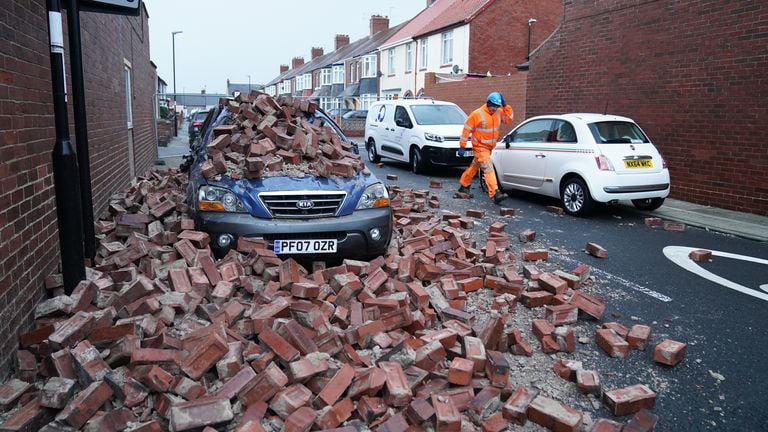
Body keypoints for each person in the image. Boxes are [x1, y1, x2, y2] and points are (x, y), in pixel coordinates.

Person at [457, 91, 514, 204]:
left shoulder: (499, 112)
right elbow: (466, 130)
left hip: (490, 148)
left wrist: (506, 106)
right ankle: (495, 193)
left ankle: (464, 185)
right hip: (479, 147)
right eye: (492, 106)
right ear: (488, 103)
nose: (494, 108)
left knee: (474, 167)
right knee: (488, 168)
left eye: (496, 106)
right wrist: (462, 146)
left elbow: (509, 119)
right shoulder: (477, 114)